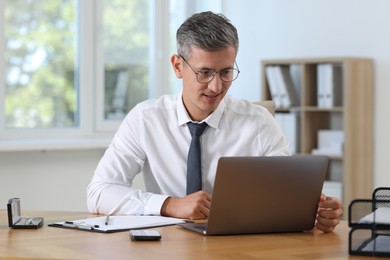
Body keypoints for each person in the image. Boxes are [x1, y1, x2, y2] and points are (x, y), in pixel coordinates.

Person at [87, 11, 343, 233]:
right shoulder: (145, 119)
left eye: (226, 72)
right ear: (178, 66)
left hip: (240, 248)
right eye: (205, 72)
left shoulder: (258, 123)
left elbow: (288, 197)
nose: (216, 86)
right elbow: (99, 192)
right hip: (168, 245)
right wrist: (169, 204)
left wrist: (318, 212)